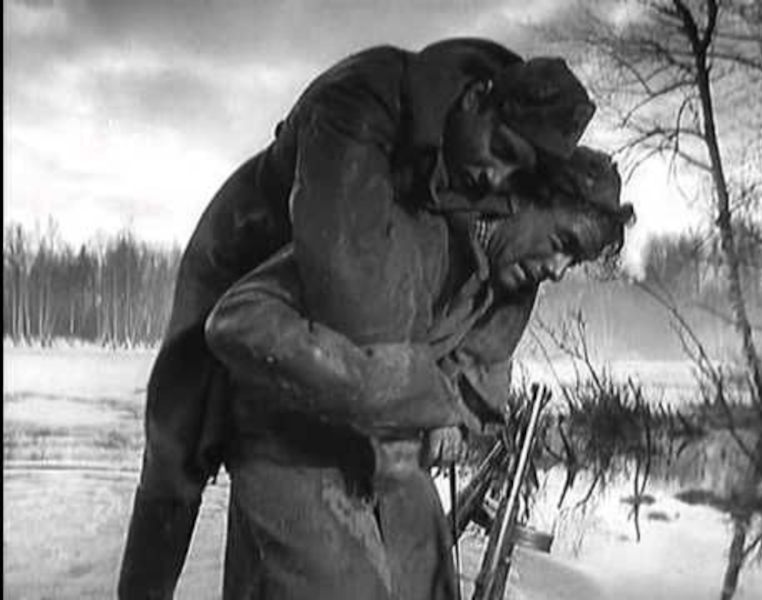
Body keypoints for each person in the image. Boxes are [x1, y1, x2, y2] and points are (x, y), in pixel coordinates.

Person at [118, 37, 599, 599]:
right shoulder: (365, 99)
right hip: (245, 248)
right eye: (501, 149)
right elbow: (350, 290)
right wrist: (421, 398)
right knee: (177, 451)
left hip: (318, 290)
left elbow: (448, 305)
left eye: (517, 170)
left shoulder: (475, 180)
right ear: (476, 100)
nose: (497, 178)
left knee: (283, 457)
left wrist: (432, 406)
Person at [204, 145, 633, 599]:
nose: (559, 270)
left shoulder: (516, 281)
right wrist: (377, 382)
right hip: (285, 432)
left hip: (384, 447)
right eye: (563, 243)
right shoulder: (401, 226)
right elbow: (237, 319)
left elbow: (477, 373)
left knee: (430, 584)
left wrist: (450, 415)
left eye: (574, 261)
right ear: (525, 200)